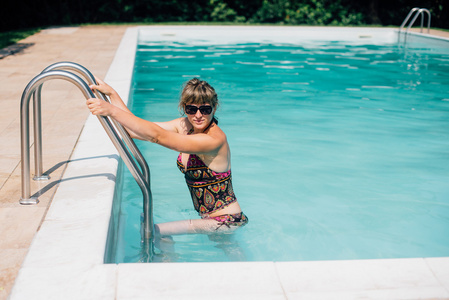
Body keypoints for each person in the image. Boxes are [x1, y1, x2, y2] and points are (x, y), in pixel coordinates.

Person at [86, 77, 248, 241]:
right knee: (234, 259)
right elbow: (140, 130)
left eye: (205, 110)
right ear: (184, 108)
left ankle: (166, 262)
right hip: (208, 218)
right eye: (192, 109)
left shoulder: (213, 140)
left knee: (155, 232)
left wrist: (112, 111)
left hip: (226, 220)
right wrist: (113, 95)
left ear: (214, 108)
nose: (198, 115)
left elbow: (156, 136)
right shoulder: (185, 126)